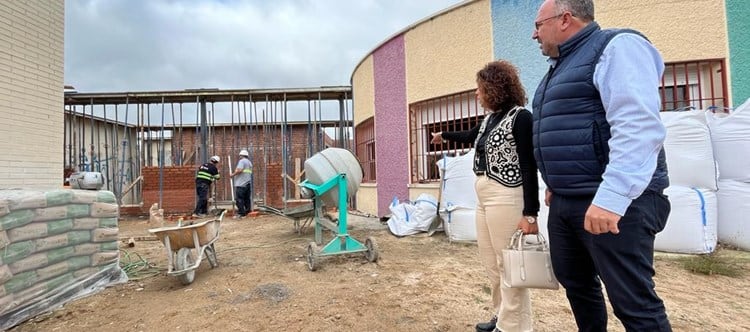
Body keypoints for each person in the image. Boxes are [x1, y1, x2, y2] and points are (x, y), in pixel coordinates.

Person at [531, 1, 671, 331]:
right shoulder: (558, 69)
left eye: (539, 25)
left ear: (565, 19)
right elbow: (569, 130)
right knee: (578, 287)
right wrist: (556, 182)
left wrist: (612, 197)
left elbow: (637, 126)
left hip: (613, 203)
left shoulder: (616, 47)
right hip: (568, 200)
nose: (534, 34)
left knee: (633, 303)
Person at [431, 60, 540, 332]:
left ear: (494, 88)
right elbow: (469, 135)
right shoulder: (490, 119)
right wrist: (443, 135)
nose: (477, 94)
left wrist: (530, 213)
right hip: (484, 197)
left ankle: (513, 327)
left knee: (509, 264)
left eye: (479, 89)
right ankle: (500, 315)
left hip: (507, 196)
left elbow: (528, 164)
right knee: (491, 263)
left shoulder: (521, 117)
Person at [230, 149, 254, 219]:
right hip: (247, 183)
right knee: (247, 199)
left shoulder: (242, 161)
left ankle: (241, 213)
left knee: (239, 199)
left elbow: (240, 170)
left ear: (241, 155)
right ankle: (247, 211)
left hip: (241, 184)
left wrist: (232, 174)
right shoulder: (249, 162)